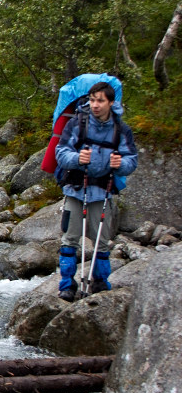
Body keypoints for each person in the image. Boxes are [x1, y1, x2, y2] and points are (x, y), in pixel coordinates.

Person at [54, 81, 138, 301]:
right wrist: (76, 158)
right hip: (75, 190)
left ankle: (100, 283)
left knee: (101, 243)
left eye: (100, 100)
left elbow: (132, 161)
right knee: (69, 240)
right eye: (92, 100)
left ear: (111, 102)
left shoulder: (121, 129)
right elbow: (60, 152)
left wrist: (121, 164)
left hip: (102, 192)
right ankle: (66, 285)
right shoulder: (77, 124)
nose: (95, 105)